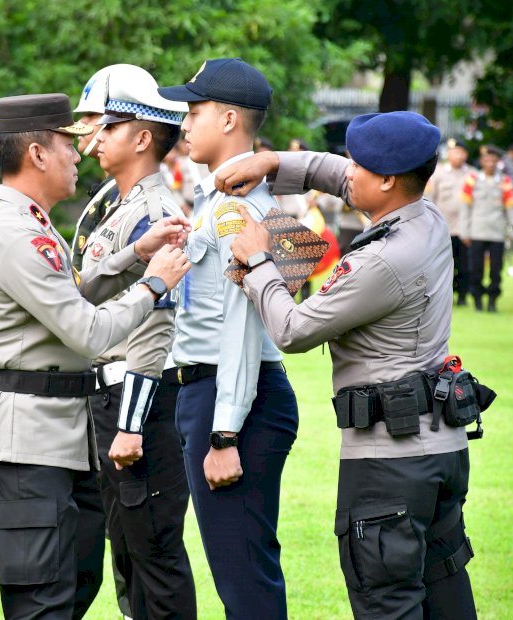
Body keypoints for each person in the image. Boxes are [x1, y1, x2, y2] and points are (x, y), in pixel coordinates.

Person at [215, 111, 479, 619]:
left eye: (359, 164)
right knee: (446, 594)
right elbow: (337, 176)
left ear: (387, 180)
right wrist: (274, 162)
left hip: (389, 464)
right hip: (439, 447)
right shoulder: (425, 216)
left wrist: (257, 261)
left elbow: (293, 330)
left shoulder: (380, 261)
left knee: (387, 603)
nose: (347, 170)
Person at [0, 93, 190, 620]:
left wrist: (135, 253)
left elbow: (74, 295)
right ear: (38, 153)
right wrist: (153, 284)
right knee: (42, 602)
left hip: (55, 440)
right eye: (68, 141)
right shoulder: (17, 233)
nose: (80, 150)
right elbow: (86, 330)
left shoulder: (34, 226)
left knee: (68, 593)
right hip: (23, 442)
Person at [157, 58, 299, 619]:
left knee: (244, 581)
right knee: (240, 571)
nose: (185, 123)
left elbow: (242, 324)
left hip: (234, 398)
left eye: (194, 111)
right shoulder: (218, 199)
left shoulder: (238, 208)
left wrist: (223, 433)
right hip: (221, 392)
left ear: (231, 119)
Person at [73, 63, 197, 620]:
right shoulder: (120, 209)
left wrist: (129, 423)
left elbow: (156, 327)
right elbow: (84, 289)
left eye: (108, 127)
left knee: (154, 558)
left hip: (138, 405)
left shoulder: (154, 211)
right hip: (111, 399)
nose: (93, 140)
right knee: (127, 556)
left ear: (143, 137)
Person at [460, 145, 513, 312]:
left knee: (496, 270)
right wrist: (465, 230)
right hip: (477, 230)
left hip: (497, 232)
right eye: (486, 160)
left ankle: (492, 300)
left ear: (498, 162)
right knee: (476, 268)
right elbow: (465, 208)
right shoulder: (472, 179)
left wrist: (512, 229)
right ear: (481, 162)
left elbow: (511, 208)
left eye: (493, 161)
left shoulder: (505, 181)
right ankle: (477, 299)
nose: (490, 164)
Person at [425, 138, 476, 306]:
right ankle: (445, 297)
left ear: (466, 155)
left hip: (464, 228)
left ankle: (462, 296)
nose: (458, 156)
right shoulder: (438, 173)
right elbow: (430, 199)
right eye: (455, 152)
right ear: (448, 153)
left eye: (461, 153)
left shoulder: (472, 174)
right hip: (443, 227)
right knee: (443, 265)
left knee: (465, 265)